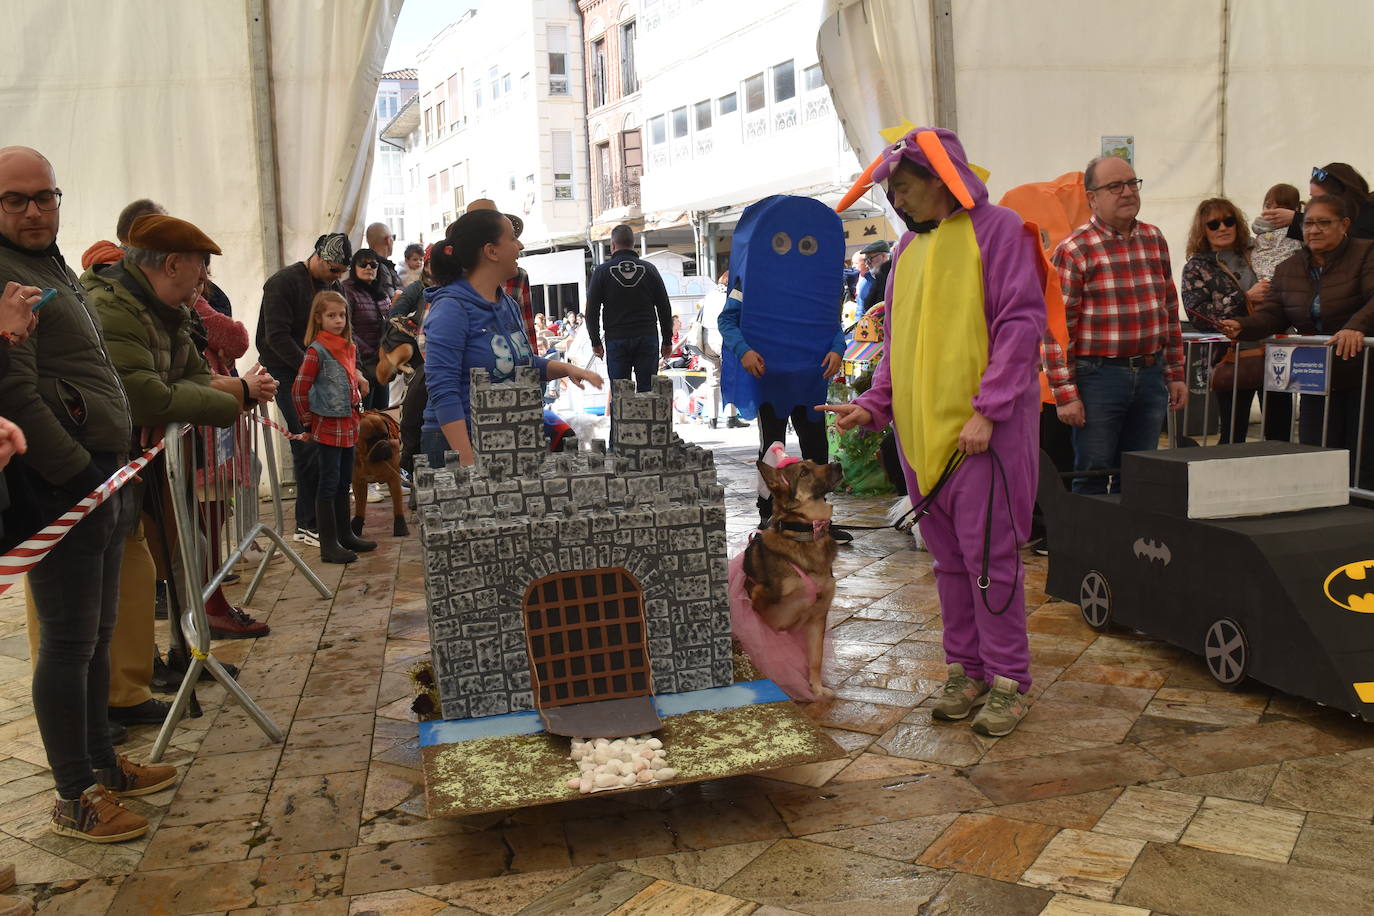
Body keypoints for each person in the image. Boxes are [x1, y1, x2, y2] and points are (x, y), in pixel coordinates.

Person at [822, 127, 1047, 737]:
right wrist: (873, 406)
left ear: (941, 179)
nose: (895, 200)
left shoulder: (999, 231)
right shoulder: (905, 253)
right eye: (889, 190)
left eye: (903, 186)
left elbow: (1021, 326)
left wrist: (989, 410)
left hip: (982, 439)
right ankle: (966, 669)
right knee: (950, 564)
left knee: (991, 562)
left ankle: (1009, 680)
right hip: (922, 441)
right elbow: (898, 346)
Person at [0, 146, 173, 843]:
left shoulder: (49, 265)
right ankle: (76, 795)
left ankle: (102, 763)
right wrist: (72, 470)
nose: (36, 210)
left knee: (98, 635)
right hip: (65, 484)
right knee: (68, 643)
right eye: (17, 200)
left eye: (46, 196)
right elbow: (14, 386)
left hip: (103, 473)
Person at [85, 212, 273, 642]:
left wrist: (178, 404)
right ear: (171, 265)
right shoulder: (114, 308)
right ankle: (140, 682)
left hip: (143, 462)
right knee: (136, 573)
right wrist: (236, 397)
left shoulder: (165, 309)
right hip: (114, 465)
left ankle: (179, 652)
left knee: (183, 551)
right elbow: (145, 395)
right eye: (200, 265)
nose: (204, 277)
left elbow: (189, 376)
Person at [1045, 156, 1186, 493]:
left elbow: (1168, 309)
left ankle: (1132, 545)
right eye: (1114, 186)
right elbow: (1056, 328)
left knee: (1141, 472)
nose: (1127, 192)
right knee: (1092, 472)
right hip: (1099, 378)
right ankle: (1090, 545)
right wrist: (1065, 395)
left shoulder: (1154, 238)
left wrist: (1176, 373)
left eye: (1132, 183)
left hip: (1151, 374)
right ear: (1092, 198)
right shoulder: (1074, 249)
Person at [716, 194, 851, 541]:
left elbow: (831, 325)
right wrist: (744, 351)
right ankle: (769, 517)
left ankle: (820, 518)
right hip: (770, 380)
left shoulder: (817, 284)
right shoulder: (748, 283)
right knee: (772, 451)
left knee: (817, 451)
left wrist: (837, 349)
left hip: (810, 380)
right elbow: (728, 320)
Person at [420, 209, 602, 467]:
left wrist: (566, 368)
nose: (520, 246)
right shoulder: (451, 308)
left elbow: (519, 363)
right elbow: (443, 389)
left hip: (505, 438)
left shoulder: (506, 303)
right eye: (512, 239)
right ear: (491, 251)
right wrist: (467, 461)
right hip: (457, 443)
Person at [1221, 194, 1374, 489]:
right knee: (1315, 450)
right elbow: (1273, 315)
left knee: (1362, 455)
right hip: (1316, 376)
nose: (1314, 230)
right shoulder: (1289, 267)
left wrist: (1356, 328)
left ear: (1344, 225)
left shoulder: (1367, 253)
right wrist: (1242, 326)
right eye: (1309, 224)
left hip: (1364, 374)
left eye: (1323, 223)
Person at [256, 232, 351, 545]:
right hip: (287, 373)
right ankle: (307, 523)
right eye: (334, 270)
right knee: (308, 443)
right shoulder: (283, 283)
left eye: (341, 272)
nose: (337, 277)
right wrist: (314, 367)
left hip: (320, 373)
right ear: (320, 257)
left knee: (328, 448)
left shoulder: (332, 287)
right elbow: (275, 336)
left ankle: (330, 522)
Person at [1179, 197, 1292, 443]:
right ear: (1203, 230)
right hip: (1231, 356)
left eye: (1228, 221)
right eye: (1213, 224)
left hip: (1276, 353)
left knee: (1280, 430)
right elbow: (1197, 313)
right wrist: (1243, 297)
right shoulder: (1196, 267)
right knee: (1233, 433)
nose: (1222, 228)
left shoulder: (1261, 251)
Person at [292, 290, 378, 563]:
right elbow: (299, 389)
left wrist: (358, 384)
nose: (338, 320)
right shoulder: (316, 351)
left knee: (343, 481)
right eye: (331, 315)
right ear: (319, 319)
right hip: (328, 425)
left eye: (342, 315)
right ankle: (328, 545)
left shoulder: (347, 348)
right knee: (328, 483)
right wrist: (307, 420)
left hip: (348, 423)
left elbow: (347, 379)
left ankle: (345, 535)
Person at [586, 224, 672, 392]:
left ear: (612, 245)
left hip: (616, 339)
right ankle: (647, 419)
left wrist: (595, 342)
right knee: (647, 391)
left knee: (621, 393)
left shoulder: (602, 272)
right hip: (647, 337)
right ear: (633, 244)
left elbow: (592, 311)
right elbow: (664, 306)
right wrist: (667, 340)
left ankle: (621, 419)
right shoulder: (649, 270)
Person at [1265, 163, 1374, 242]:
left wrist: (1297, 219)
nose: (1313, 204)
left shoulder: (1368, 214)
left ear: (1341, 197)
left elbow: (1351, 242)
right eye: (1312, 199)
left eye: (1320, 199)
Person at [343, 248, 390, 409]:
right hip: (359, 364)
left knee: (382, 414)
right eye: (363, 264)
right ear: (354, 267)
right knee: (364, 417)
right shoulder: (347, 291)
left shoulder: (382, 294)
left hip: (382, 363)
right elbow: (346, 329)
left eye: (373, 264)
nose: (368, 268)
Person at [1252, 183, 1303, 282]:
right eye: (1268, 206)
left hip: (1288, 281)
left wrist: (1296, 219)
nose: (1272, 211)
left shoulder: (1296, 229)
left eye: (1279, 208)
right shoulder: (1259, 229)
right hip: (1262, 281)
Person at [364, 222, 403, 299]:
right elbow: (392, 300)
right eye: (393, 237)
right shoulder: (382, 268)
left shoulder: (363, 266)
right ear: (388, 240)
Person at [857, 240, 891, 315]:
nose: (867, 263)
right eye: (865, 260)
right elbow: (860, 310)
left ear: (884, 256)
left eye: (870, 259)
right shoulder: (865, 282)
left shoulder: (894, 277)